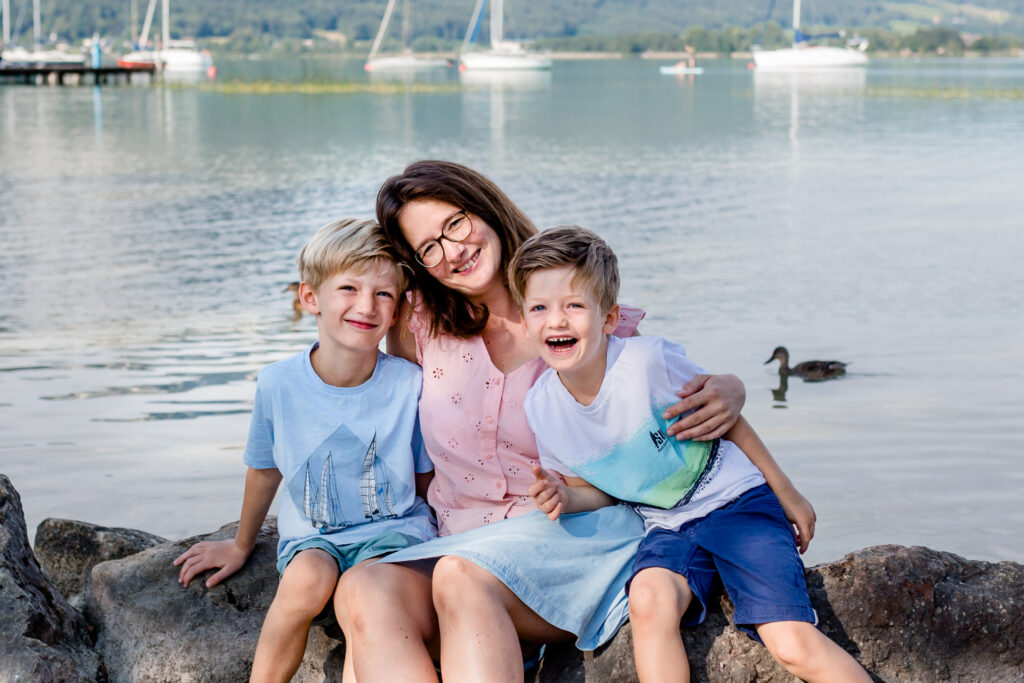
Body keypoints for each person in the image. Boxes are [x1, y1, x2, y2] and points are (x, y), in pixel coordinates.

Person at [333, 160, 814, 683]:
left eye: (455, 223)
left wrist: (733, 388)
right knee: (363, 587)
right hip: (459, 539)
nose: (452, 251)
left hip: (571, 533)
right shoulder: (418, 324)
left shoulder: (572, 313)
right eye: (429, 248)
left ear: (485, 207)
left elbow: (659, 396)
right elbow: (369, 419)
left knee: (460, 578)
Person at [513, 225, 870, 683]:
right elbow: (595, 491)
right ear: (523, 322)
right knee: (647, 600)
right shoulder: (542, 409)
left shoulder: (647, 362)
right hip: (666, 526)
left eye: (574, 306)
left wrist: (788, 492)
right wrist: (564, 497)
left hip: (737, 503)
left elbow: (728, 419)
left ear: (608, 317)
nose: (556, 321)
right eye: (539, 308)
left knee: (788, 640)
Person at [172, 218, 437, 683]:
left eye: (383, 294)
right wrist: (241, 544)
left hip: (393, 531)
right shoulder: (279, 383)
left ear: (396, 312)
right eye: (349, 288)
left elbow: (423, 477)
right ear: (310, 297)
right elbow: (264, 467)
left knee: (367, 604)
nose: (366, 306)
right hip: (315, 534)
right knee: (306, 583)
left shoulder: (408, 384)